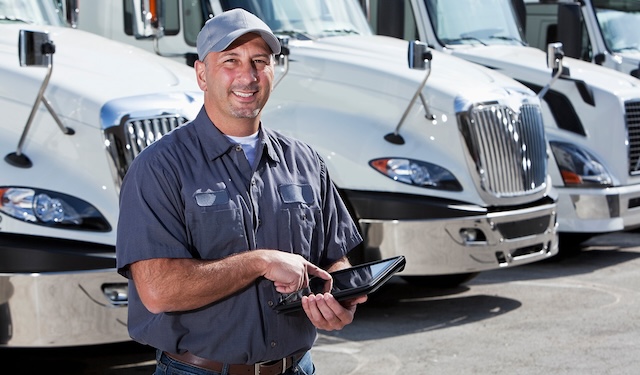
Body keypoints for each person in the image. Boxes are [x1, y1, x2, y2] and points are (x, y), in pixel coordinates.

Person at [116, 8, 367, 375]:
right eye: (230, 61)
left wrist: (338, 301)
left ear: (272, 72)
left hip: (295, 367)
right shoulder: (159, 168)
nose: (247, 77)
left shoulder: (306, 162)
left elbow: (334, 258)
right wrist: (259, 262)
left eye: (259, 61)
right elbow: (159, 290)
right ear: (202, 74)